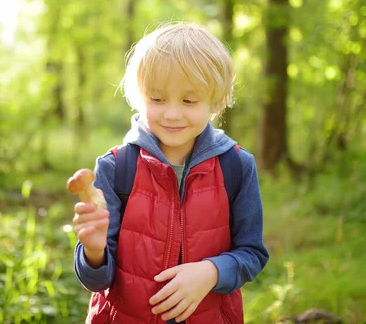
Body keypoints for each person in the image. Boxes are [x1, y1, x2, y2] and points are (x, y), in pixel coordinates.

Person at [72, 22, 268, 323]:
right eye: (157, 99)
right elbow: (97, 281)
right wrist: (94, 252)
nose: (172, 113)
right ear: (140, 96)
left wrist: (211, 272)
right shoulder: (116, 168)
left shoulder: (237, 167)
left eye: (189, 101)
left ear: (216, 101)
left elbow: (252, 253)